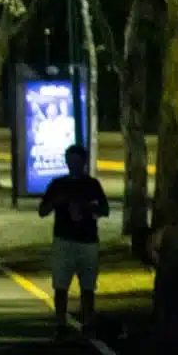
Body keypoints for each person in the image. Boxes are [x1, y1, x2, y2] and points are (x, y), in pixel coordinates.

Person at [38, 144, 109, 338]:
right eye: (70, 161)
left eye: (77, 161)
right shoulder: (58, 184)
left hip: (87, 242)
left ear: (83, 163)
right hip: (64, 241)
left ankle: (88, 323)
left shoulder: (92, 185)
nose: (73, 165)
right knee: (60, 286)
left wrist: (86, 208)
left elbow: (105, 210)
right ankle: (60, 324)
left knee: (88, 287)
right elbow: (42, 211)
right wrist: (57, 201)